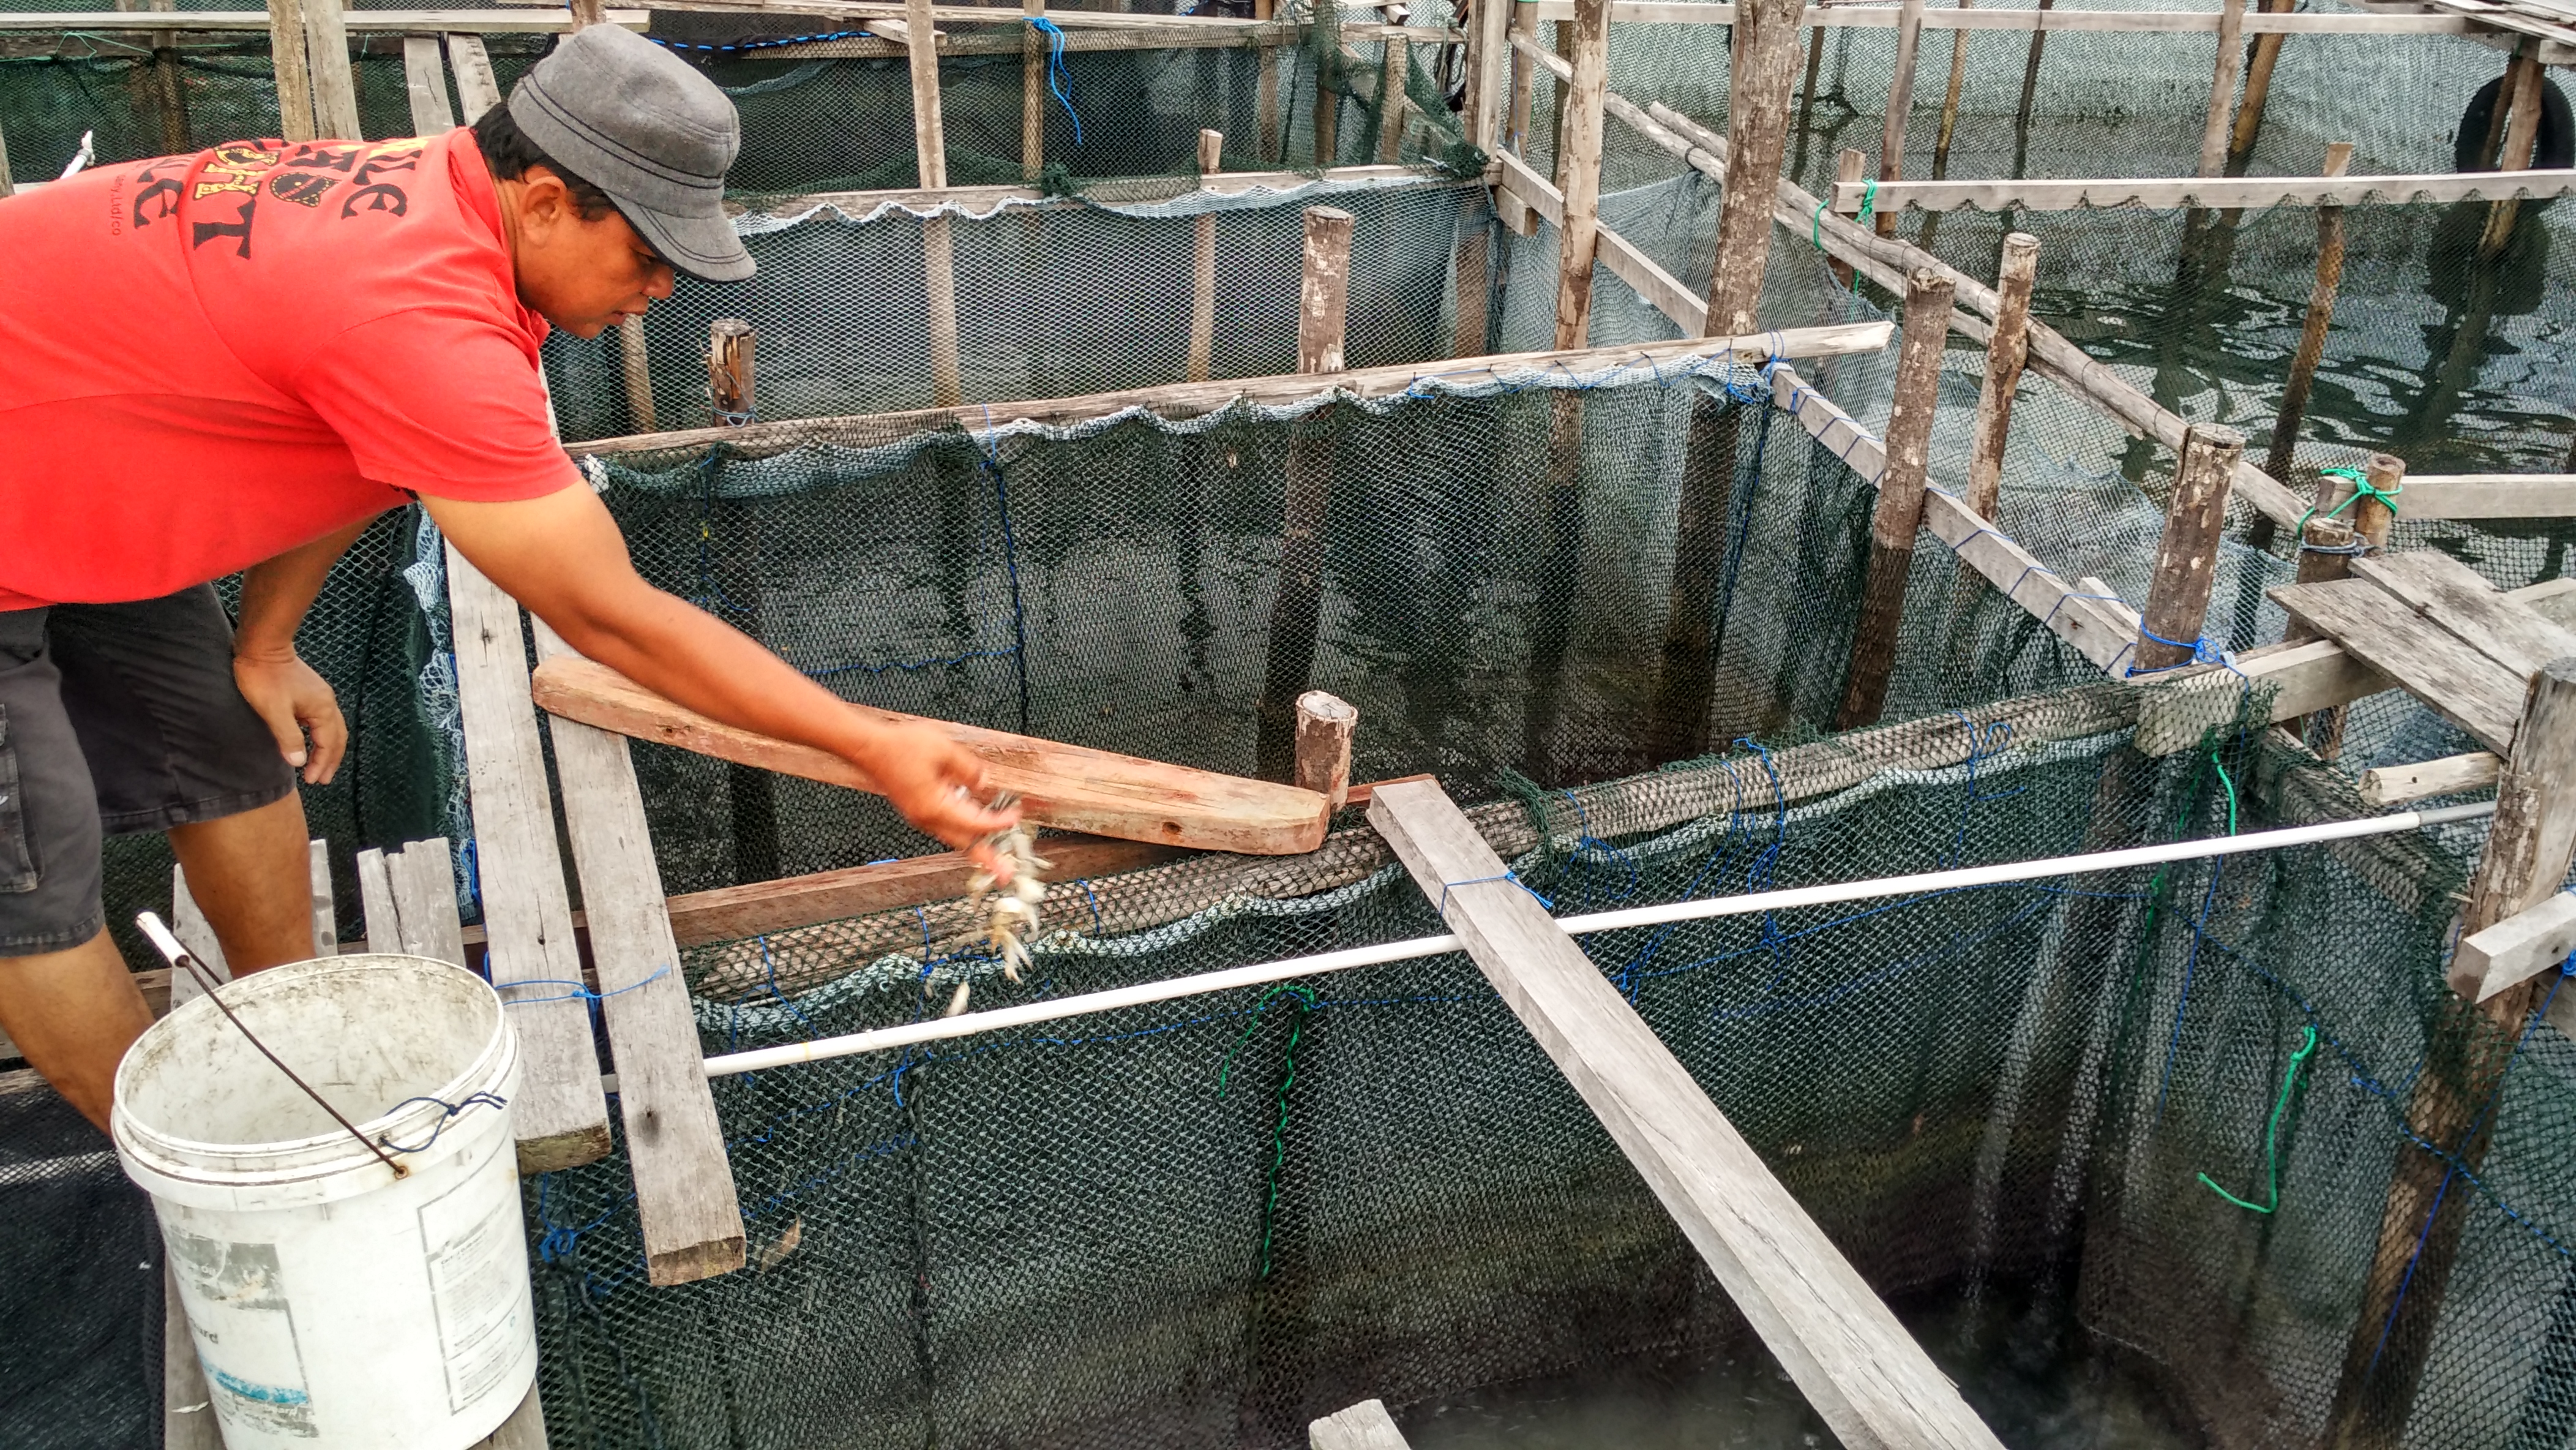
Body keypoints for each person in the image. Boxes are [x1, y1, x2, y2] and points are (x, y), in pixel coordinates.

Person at [0, 24, 1016, 1132]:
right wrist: (871, 747)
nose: (662, 292)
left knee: (229, 748)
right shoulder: (416, 315)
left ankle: (289, 1050)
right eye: (647, 254)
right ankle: (230, 1173)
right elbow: (607, 618)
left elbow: (348, 448)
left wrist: (269, 644)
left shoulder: (446, 203)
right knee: (32, 886)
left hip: (70, 453)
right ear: (542, 202)